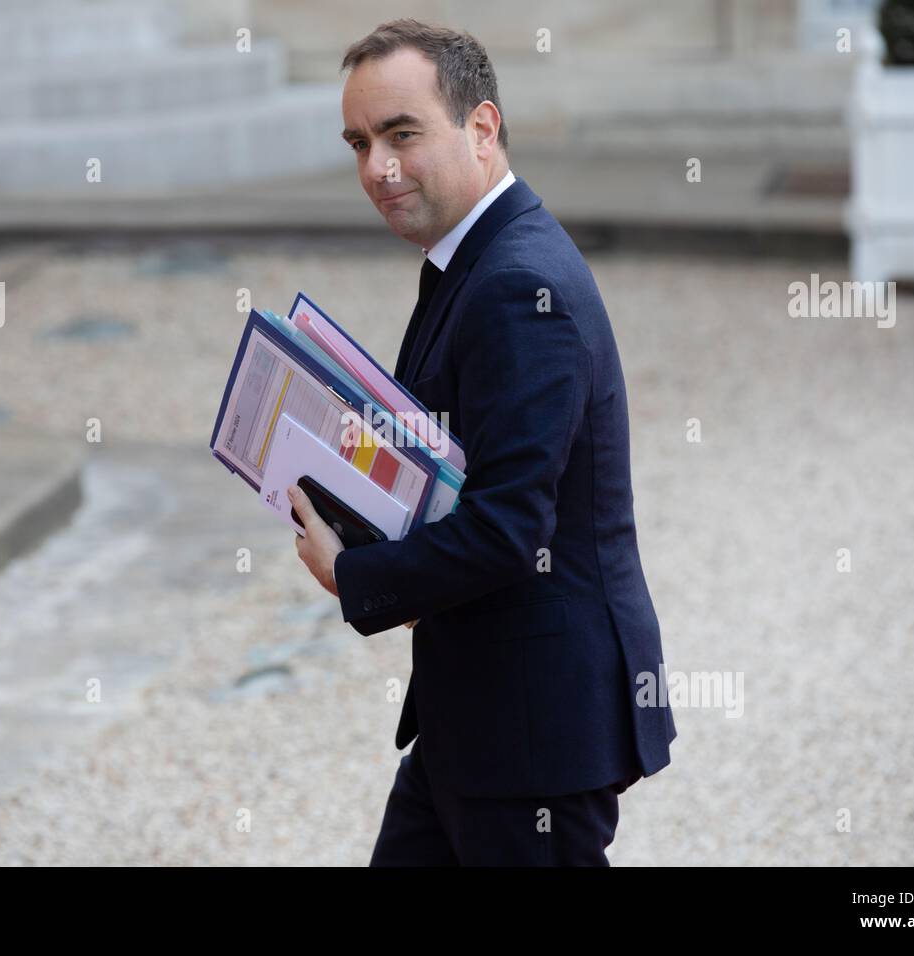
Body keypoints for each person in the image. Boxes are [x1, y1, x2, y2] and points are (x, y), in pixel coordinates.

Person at [289, 18, 676, 866]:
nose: (376, 169)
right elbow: (450, 464)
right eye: (359, 142)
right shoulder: (473, 256)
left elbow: (507, 526)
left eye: (401, 135)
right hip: (482, 712)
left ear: (482, 129)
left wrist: (351, 572)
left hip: (532, 731)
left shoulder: (515, 282)